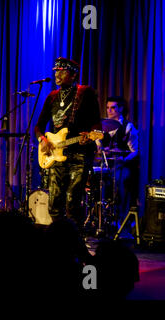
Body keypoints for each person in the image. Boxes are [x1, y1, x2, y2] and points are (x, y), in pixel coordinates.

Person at [34, 57, 101, 230]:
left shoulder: (85, 92)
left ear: (72, 75)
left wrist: (90, 134)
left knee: (72, 201)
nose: (57, 74)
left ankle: (75, 241)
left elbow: (97, 125)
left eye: (62, 71)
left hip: (79, 153)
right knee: (54, 202)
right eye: (56, 71)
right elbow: (38, 127)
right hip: (56, 155)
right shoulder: (52, 96)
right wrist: (44, 140)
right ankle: (58, 240)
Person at [103, 96, 139, 222]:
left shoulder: (128, 127)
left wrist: (123, 160)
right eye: (107, 108)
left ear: (121, 108)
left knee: (119, 179)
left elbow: (135, 152)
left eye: (113, 108)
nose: (109, 111)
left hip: (121, 166)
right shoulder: (102, 127)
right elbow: (98, 148)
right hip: (105, 165)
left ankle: (120, 219)